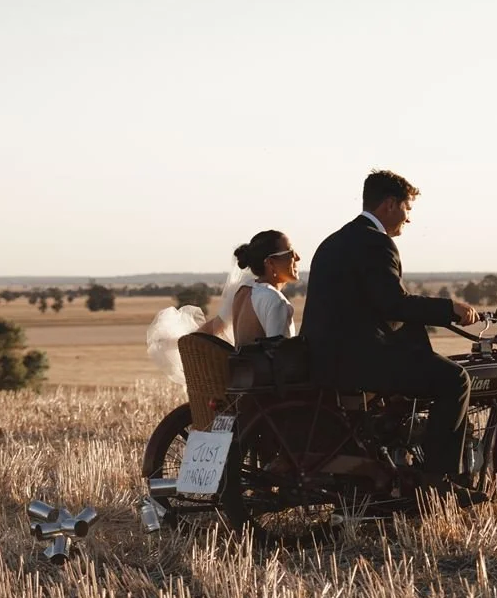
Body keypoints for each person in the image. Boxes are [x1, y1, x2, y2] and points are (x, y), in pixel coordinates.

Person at [302, 170, 478, 492]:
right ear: (390, 205)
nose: (408, 219)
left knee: (424, 368)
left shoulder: (335, 240)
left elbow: (368, 306)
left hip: (326, 357)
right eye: (407, 209)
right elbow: (393, 304)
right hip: (359, 359)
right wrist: (448, 309)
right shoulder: (376, 243)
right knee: (455, 379)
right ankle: (439, 481)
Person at [204, 231, 300, 345]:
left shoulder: (243, 291)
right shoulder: (275, 300)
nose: (297, 258)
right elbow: (281, 357)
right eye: (291, 253)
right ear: (270, 263)